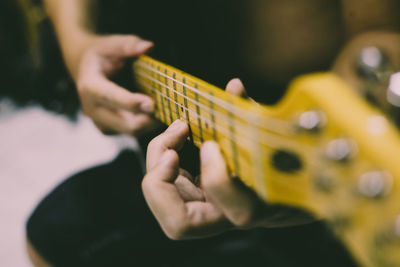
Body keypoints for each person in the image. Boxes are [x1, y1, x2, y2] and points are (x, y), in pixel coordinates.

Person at [26, 0, 400, 266]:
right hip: (182, 147)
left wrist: (295, 200)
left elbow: (379, 45)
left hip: (301, 169)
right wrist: (79, 48)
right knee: (51, 236)